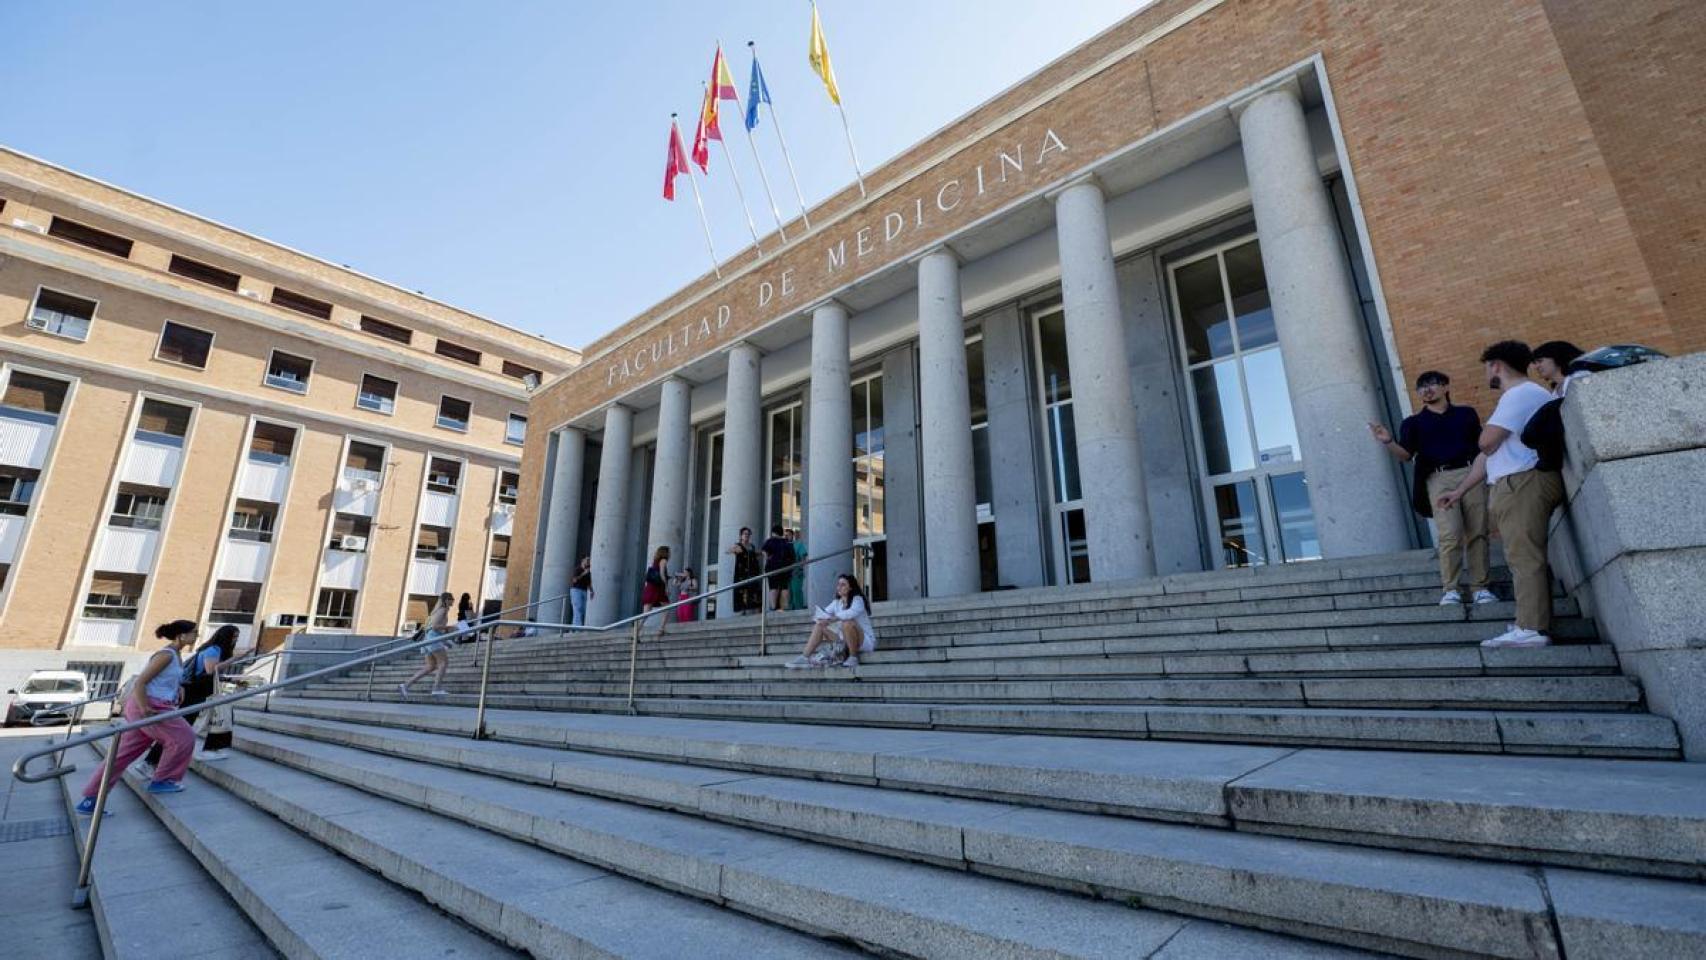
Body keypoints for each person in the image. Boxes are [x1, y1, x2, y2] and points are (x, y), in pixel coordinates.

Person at [1438, 341, 1564, 648]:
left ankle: (1532, 628)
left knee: (1524, 557)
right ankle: (1528, 621)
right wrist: (1459, 491)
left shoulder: (1520, 393)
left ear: (1496, 365)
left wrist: (1487, 438)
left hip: (1523, 481)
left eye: (1486, 367)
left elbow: (1485, 442)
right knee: (1520, 556)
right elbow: (1488, 456)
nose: (1486, 373)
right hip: (1515, 481)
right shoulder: (1522, 395)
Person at [1368, 371, 1495, 606]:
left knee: (1478, 531)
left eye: (1432, 384)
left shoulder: (1466, 414)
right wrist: (1388, 441)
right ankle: (1451, 589)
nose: (1426, 390)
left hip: (1470, 473)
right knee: (1450, 534)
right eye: (1421, 387)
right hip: (1438, 478)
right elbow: (1406, 456)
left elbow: (1481, 447)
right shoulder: (1413, 423)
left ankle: (1480, 588)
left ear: (1445, 387)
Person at [76, 620, 200, 813]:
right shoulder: (166, 655)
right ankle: (163, 779)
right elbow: (141, 682)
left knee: (123, 754)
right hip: (151, 706)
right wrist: (145, 707)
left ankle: (90, 800)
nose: (197, 636)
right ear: (181, 635)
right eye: (194, 632)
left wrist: (179, 687)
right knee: (184, 737)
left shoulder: (176, 654)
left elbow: (162, 680)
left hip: (154, 704)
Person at [142, 624, 238, 771]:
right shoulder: (214, 649)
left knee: (200, 722)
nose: (235, 640)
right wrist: (237, 658)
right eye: (234, 637)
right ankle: (152, 762)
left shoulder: (207, 649)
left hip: (196, 691)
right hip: (195, 692)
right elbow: (211, 669)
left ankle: (154, 762)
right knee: (181, 728)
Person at [785, 573, 877, 669]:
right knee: (819, 626)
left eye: (843, 585)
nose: (839, 587)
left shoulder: (858, 599)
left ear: (850, 588)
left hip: (864, 641)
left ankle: (853, 657)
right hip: (844, 639)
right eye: (838, 584)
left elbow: (850, 613)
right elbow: (823, 614)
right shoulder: (837, 603)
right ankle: (804, 657)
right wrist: (820, 619)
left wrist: (832, 619)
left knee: (848, 623)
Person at [400, 592, 455, 696]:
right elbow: (434, 627)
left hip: (428, 640)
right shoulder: (443, 610)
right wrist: (450, 627)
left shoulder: (436, 611)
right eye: (452, 599)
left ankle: (406, 685)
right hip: (433, 640)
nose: (453, 602)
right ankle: (436, 688)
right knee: (443, 663)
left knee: (430, 666)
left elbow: (431, 630)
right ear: (447, 600)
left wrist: (445, 641)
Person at [727, 528, 762, 615]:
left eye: (748, 534)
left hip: (753, 572)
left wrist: (761, 553)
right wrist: (734, 550)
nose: (746, 535)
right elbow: (728, 551)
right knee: (742, 590)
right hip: (741, 572)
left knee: (754, 590)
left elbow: (754, 554)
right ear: (741, 536)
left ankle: (757, 610)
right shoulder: (738, 545)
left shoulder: (751, 546)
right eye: (745, 534)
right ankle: (743, 611)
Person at [761, 525, 794, 612]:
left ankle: (773, 607)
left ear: (773, 533)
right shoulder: (786, 542)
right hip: (785, 568)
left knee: (773, 587)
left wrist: (768, 558)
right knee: (784, 587)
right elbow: (792, 556)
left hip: (773, 568)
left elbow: (764, 551)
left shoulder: (770, 541)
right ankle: (785, 607)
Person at [641, 546, 672, 633]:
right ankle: (661, 628)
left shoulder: (655, 561)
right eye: (669, 552)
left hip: (650, 588)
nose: (670, 554)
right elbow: (662, 574)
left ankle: (636, 631)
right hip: (658, 589)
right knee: (667, 608)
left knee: (646, 613)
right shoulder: (663, 560)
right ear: (665, 552)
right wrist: (667, 586)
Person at [788, 529, 807, 611]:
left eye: (788, 535)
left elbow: (803, 557)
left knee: (796, 591)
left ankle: (799, 608)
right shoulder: (784, 545)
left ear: (793, 536)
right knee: (789, 593)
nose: (786, 537)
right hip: (786, 573)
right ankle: (790, 608)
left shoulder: (798, 544)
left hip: (796, 572)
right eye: (785, 535)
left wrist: (801, 567)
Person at [569, 558, 592, 626]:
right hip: (576, 590)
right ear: (583, 562)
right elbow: (574, 580)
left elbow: (589, 583)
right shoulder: (577, 569)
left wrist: (591, 591)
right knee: (577, 608)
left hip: (584, 591)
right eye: (587, 561)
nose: (588, 562)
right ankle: (577, 627)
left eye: (589, 561)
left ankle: (576, 626)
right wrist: (583, 574)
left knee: (583, 609)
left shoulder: (588, 572)